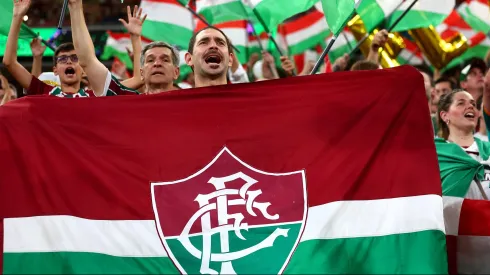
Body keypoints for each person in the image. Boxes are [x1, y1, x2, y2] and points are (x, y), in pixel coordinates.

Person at [68, 0, 143, 96]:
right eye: (62, 59)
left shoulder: (108, 89)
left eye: (75, 59)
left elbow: (139, 79)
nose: (69, 62)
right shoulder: (52, 92)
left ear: (83, 72)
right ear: (55, 71)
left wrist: (135, 37)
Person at [435, 89, 490, 200]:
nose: (470, 106)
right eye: (461, 103)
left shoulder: (488, 150)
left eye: (473, 104)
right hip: (454, 217)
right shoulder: (435, 154)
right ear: (445, 116)